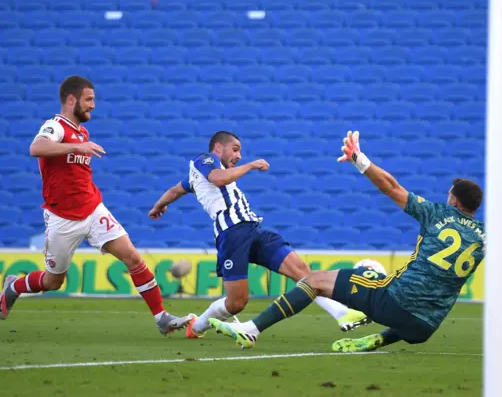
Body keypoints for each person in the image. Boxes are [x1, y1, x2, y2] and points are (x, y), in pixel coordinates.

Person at [207, 130, 502, 351]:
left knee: (316, 281)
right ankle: (375, 339)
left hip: (395, 302)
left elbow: (391, 186)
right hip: (424, 328)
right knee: (412, 303)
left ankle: (253, 330)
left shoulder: (437, 214)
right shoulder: (485, 236)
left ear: (454, 201)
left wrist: (360, 159)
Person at [0, 76, 192, 337]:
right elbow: (36, 147)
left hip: (92, 208)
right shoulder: (55, 126)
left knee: (132, 257)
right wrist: (78, 145)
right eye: (89, 99)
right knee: (53, 281)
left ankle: (161, 318)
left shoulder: (81, 132)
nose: (93, 105)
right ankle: (15, 286)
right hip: (62, 217)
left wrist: (80, 146)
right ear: (71, 99)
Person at [148, 131, 369, 338]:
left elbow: (176, 190)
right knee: (237, 303)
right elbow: (217, 179)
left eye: (240, 151)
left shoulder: (201, 177)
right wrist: (250, 165)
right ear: (218, 147)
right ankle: (197, 326)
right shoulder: (204, 161)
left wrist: (158, 206)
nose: (238, 155)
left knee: (301, 271)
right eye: (234, 149)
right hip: (232, 234)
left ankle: (342, 314)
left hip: (254, 230)